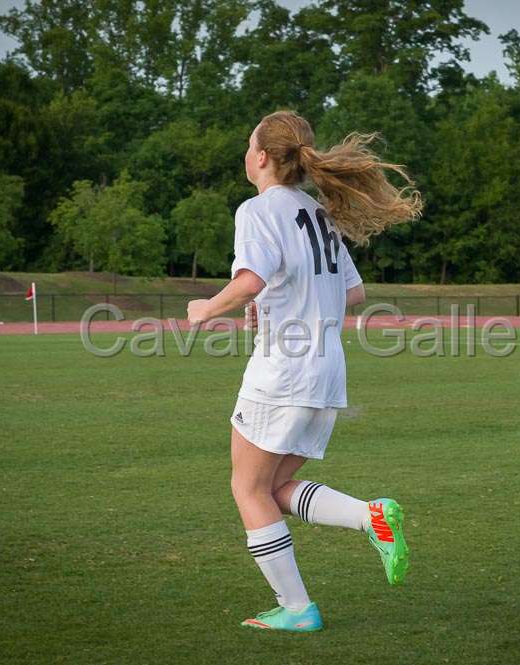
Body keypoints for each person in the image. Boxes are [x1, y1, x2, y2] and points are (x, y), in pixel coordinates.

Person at [186, 110, 422, 632]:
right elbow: (353, 292)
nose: (246, 155)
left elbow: (248, 280)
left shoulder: (257, 209)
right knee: (273, 488)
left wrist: (205, 307)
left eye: (249, 147)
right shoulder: (318, 213)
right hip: (326, 371)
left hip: (282, 369)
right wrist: (276, 297)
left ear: (263, 157)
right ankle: (371, 516)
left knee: (247, 490)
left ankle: (297, 609)